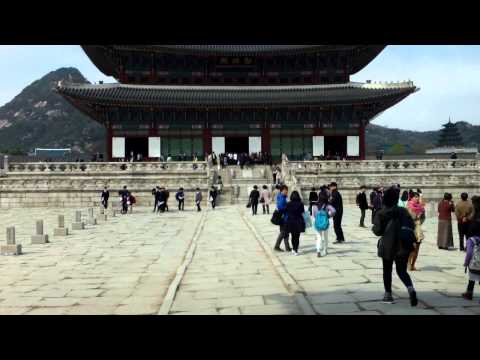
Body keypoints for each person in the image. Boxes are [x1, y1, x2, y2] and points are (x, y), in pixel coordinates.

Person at [372, 186, 418, 306]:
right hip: (404, 244)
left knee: (387, 270)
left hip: (388, 245)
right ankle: (410, 289)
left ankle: (388, 295)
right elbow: (412, 226)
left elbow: (377, 231)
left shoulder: (381, 212)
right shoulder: (403, 211)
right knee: (402, 271)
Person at [312, 193, 336, 257]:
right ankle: (325, 250)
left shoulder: (314, 206)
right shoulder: (327, 205)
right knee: (325, 237)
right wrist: (328, 215)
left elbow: (313, 215)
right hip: (325, 223)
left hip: (317, 223)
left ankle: (318, 250)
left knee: (318, 237)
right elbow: (334, 211)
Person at [407, 192, 426, 271]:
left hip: (418, 229)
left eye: (418, 197)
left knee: (417, 248)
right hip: (410, 228)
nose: (417, 198)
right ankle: (408, 264)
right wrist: (415, 216)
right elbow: (407, 217)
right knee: (412, 248)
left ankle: (413, 265)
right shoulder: (408, 206)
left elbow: (423, 218)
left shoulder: (421, 208)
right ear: (411, 198)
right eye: (415, 197)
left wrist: (420, 219)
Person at [462, 221, 480, 301]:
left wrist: (466, 263)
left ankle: (469, 293)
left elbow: (469, 253)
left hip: (474, 264)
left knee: (472, 279)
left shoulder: (471, 240)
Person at [285, 191, 306, 256]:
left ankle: (293, 249)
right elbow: (302, 212)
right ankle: (295, 249)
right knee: (297, 236)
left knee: (293, 236)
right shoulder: (301, 204)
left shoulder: (288, 203)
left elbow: (286, 211)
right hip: (299, 220)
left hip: (291, 221)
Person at [274, 185, 291, 252]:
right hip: (284, 218)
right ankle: (276, 246)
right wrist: (288, 206)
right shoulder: (282, 197)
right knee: (283, 232)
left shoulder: (282, 196)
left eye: (287, 190)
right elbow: (280, 207)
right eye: (286, 190)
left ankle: (287, 247)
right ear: (282, 190)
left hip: (284, 217)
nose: (287, 191)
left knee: (286, 233)